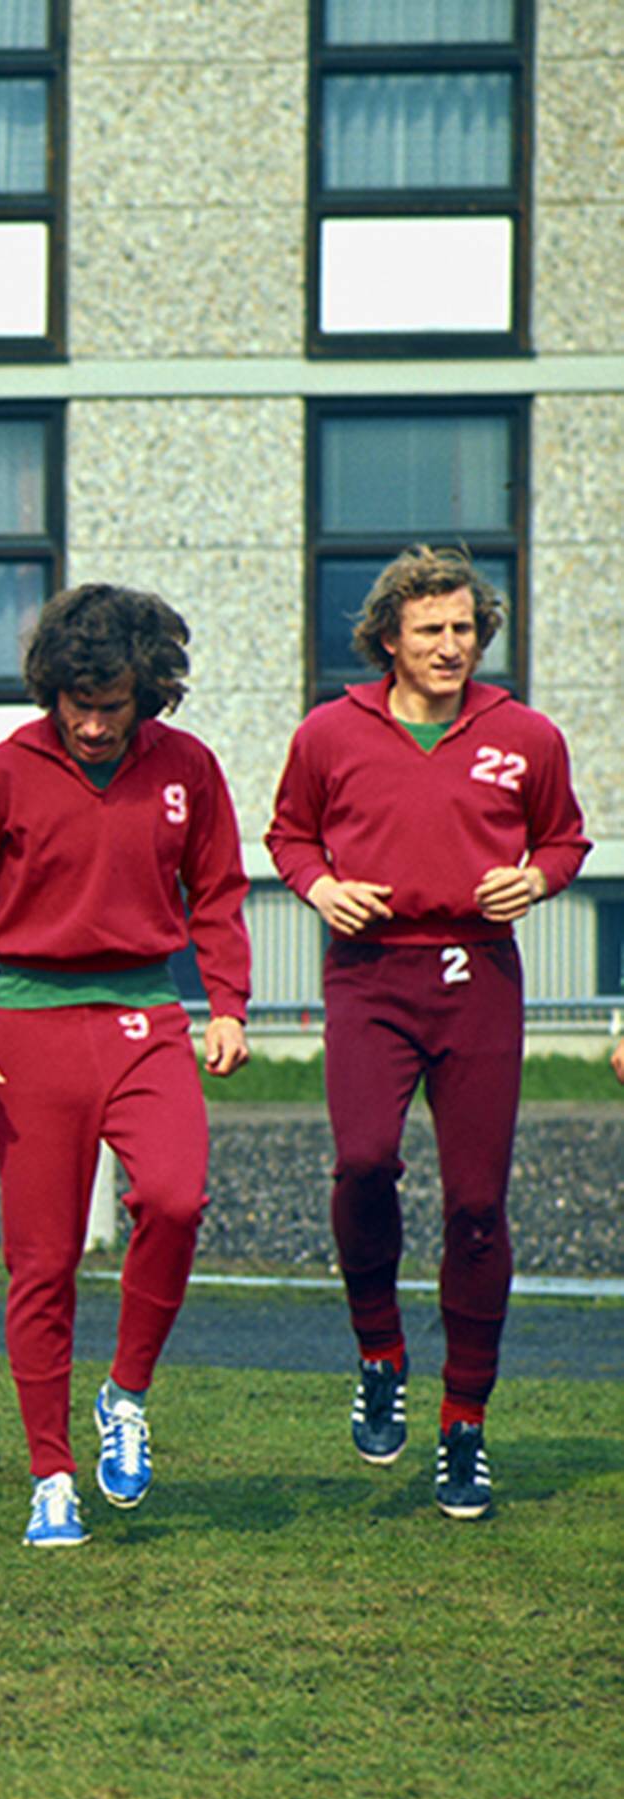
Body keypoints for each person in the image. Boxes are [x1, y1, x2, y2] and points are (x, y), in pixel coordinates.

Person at [0, 584, 253, 1549]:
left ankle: (125, 1392)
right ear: (50, 692)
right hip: (27, 1024)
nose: (96, 723)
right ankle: (49, 1474)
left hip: (147, 1012)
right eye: (79, 704)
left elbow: (220, 890)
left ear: (147, 691)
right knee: (43, 1263)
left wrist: (226, 1002)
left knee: (176, 1199)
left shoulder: (186, 766)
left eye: (114, 704)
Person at [266, 547, 588, 1520]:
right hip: (369, 977)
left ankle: (464, 1424)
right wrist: (323, 887)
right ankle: (379, 1352)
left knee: (478, 1206)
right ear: (388, 639)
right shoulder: (330, 732)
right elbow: (288, 836)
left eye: (465, 630)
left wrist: (534, 879)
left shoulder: (525, 734)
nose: (452, 647)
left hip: (478, 975)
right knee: (364, 1162)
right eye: (431, 630)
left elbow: (564, 837)